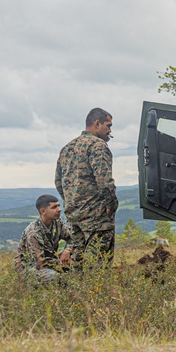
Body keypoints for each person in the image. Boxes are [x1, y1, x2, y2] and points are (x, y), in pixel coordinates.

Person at [55, 108, 118, 267]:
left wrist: (71, 201)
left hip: (74, 214)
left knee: (78, 262)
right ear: (97, 124)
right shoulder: (98, 146)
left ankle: (77, 292)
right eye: (108, 126)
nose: (110, 130)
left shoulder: (67, 148)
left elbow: (58, 181)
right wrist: (111, 205)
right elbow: (104, 180)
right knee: (99, 264)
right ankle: (97, 292)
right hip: (96, 216)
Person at [15, 194, 72, 282]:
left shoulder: (57, 223)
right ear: (43, 211)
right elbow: (39, 262)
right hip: (29, 266)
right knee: (54, 276)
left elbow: (73, 237)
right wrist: (61, 263)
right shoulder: (34, 232)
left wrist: (67, 250)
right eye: (54, 207)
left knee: (79, 261)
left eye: (58, 206)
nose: (59, 209)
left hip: (50, 261)